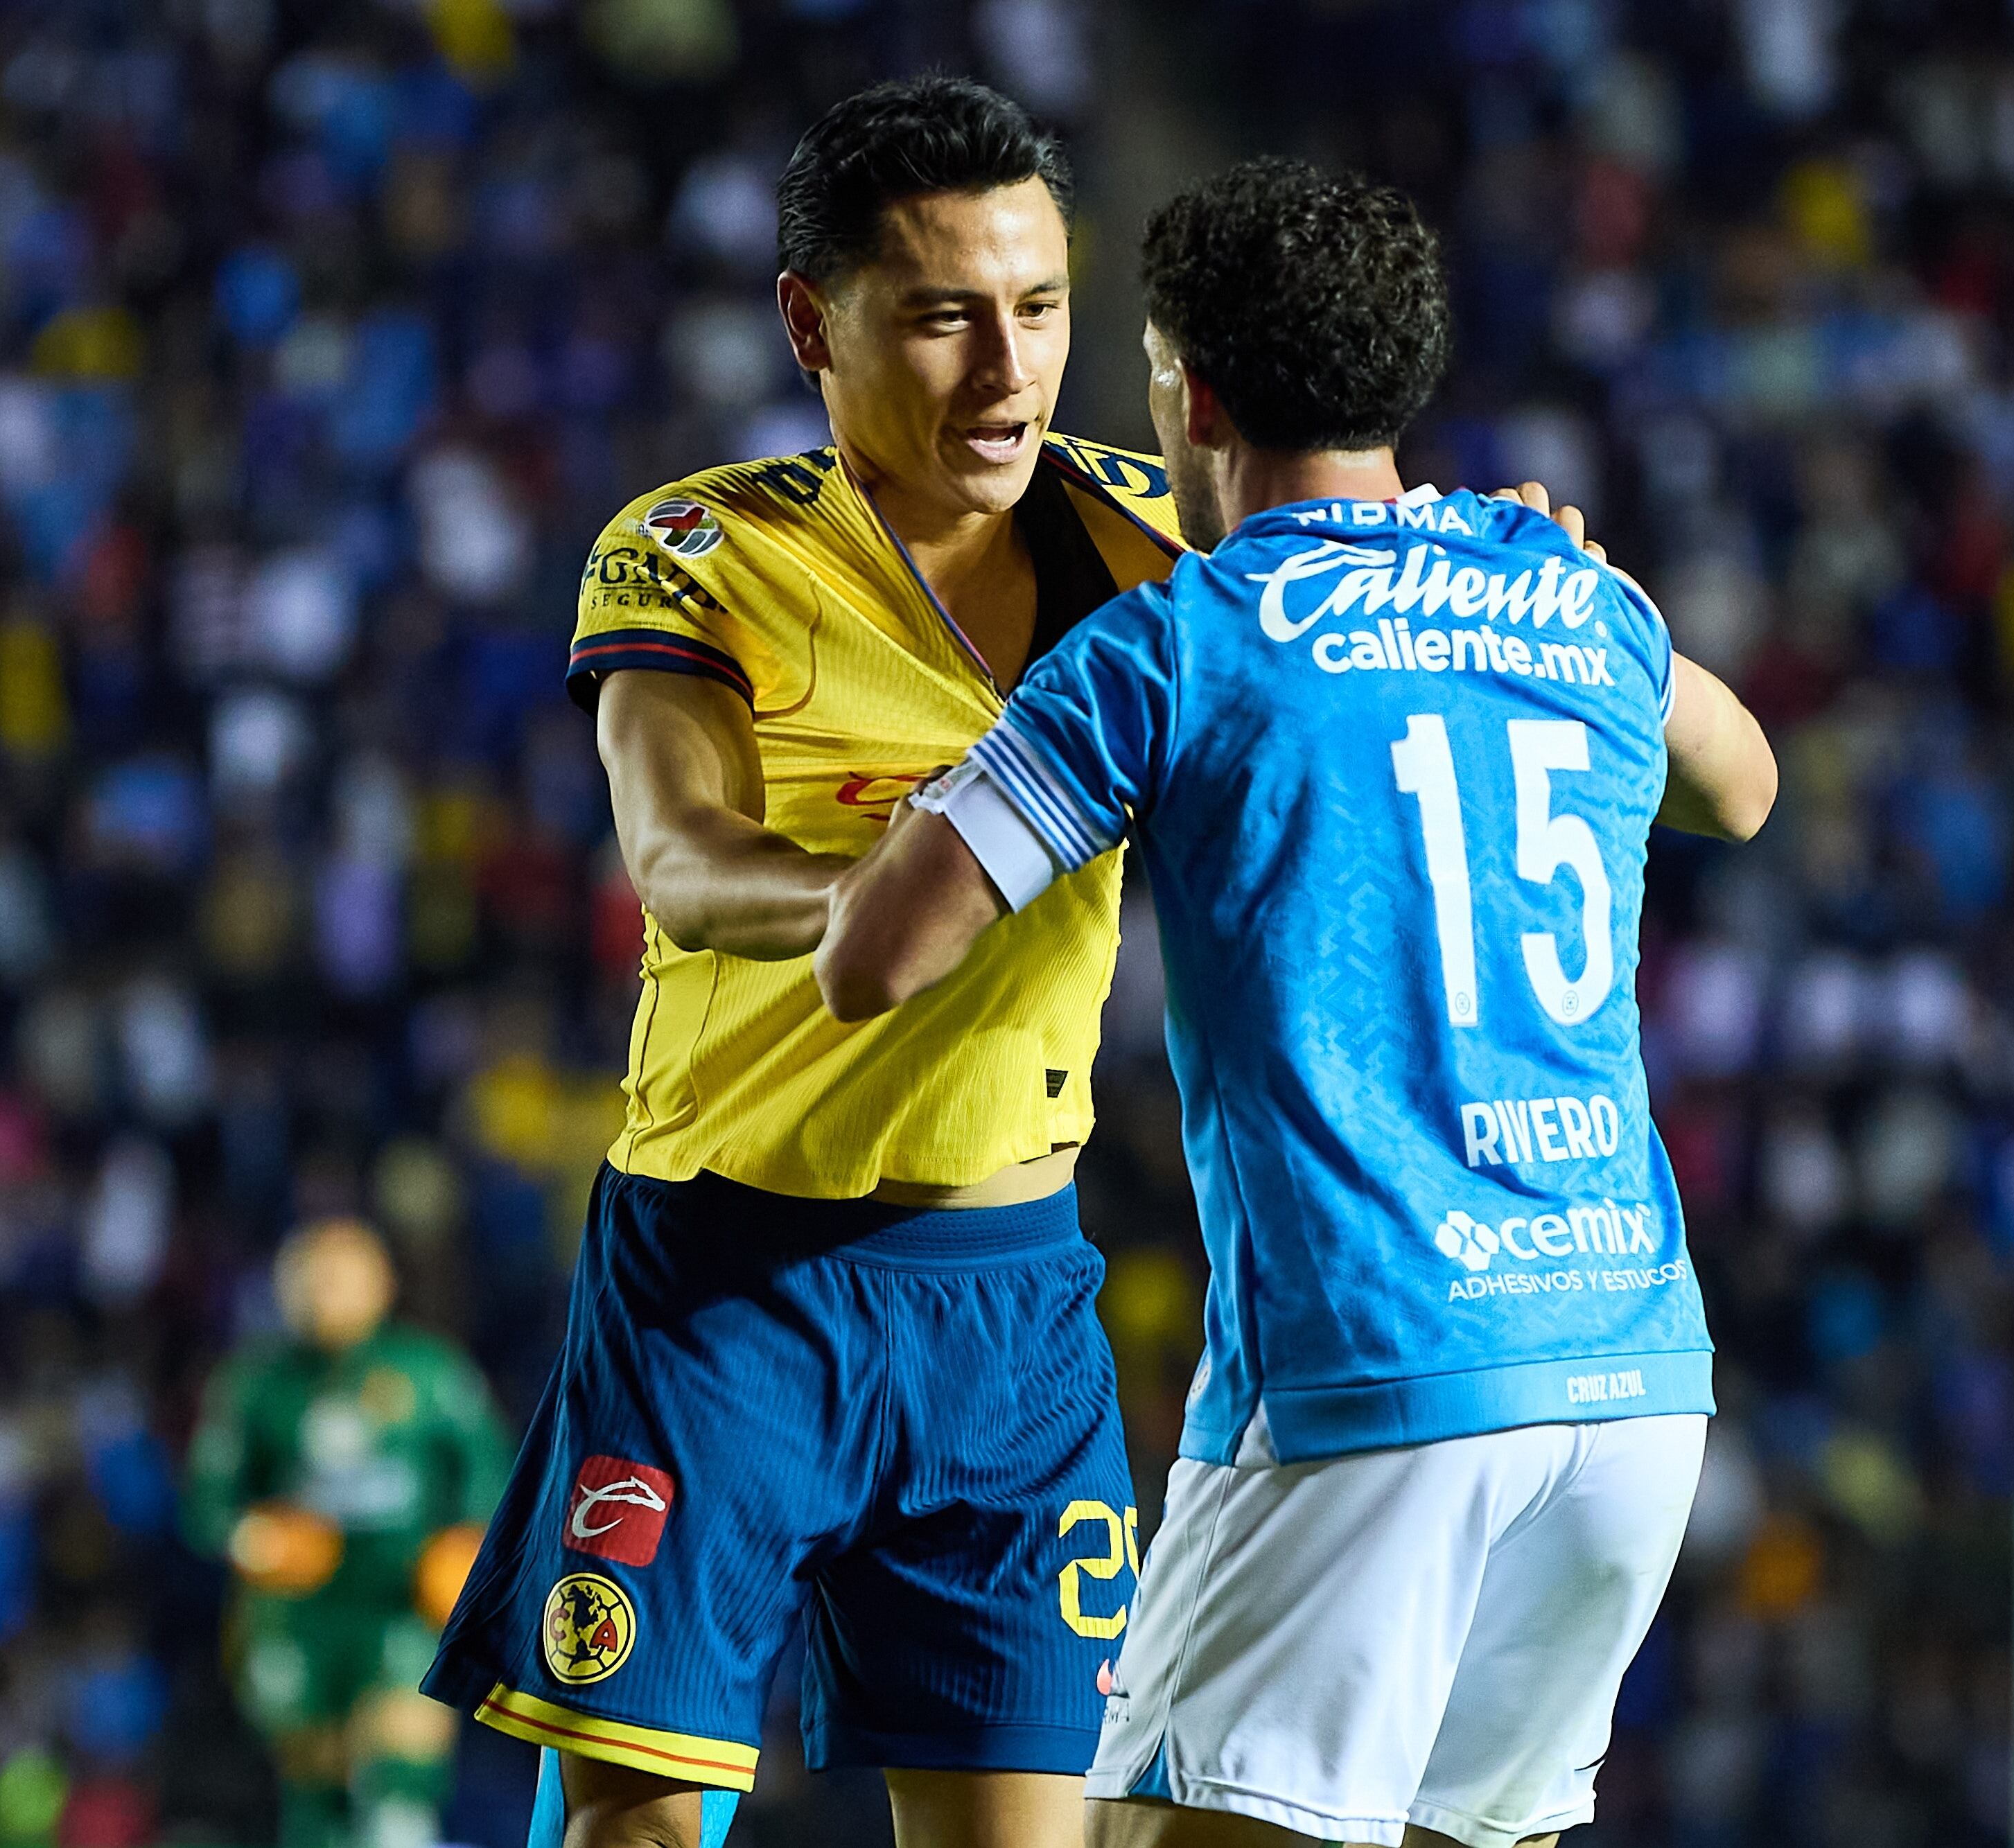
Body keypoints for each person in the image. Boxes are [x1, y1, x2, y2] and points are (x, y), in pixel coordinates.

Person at [814, 157, 1778, 1848]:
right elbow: (1745, 784)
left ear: (1181, 383)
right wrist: (1563, 606)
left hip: (1373, 1375)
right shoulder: (1568, 595)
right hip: (1628, 1376)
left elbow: (872, 958)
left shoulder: (1180, 641)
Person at [421, 77, 1183, 1848]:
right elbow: (680, 863)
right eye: (940, 318)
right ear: (807, 323)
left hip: (1013, 1304)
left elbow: (1359, 602)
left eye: (1042, 310)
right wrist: (895, 897)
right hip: (726, 1288)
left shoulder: (1161, 543)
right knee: (636, 1826)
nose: (1007, 373)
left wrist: (1503, 554)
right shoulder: (701, 550)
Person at [184, 1218, 514, 1848]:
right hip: (295, 1613)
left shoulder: (430, 1370)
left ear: (382, 1283)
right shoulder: (255, 1384)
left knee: (400, 1769)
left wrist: (466, 1543)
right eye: (311, 1276)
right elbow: (208, 1503)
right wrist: (256, 1537)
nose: (325, 1290)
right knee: (317, 1789)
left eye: (342, 1275)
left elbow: (489, 1469)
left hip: (402, 1600)